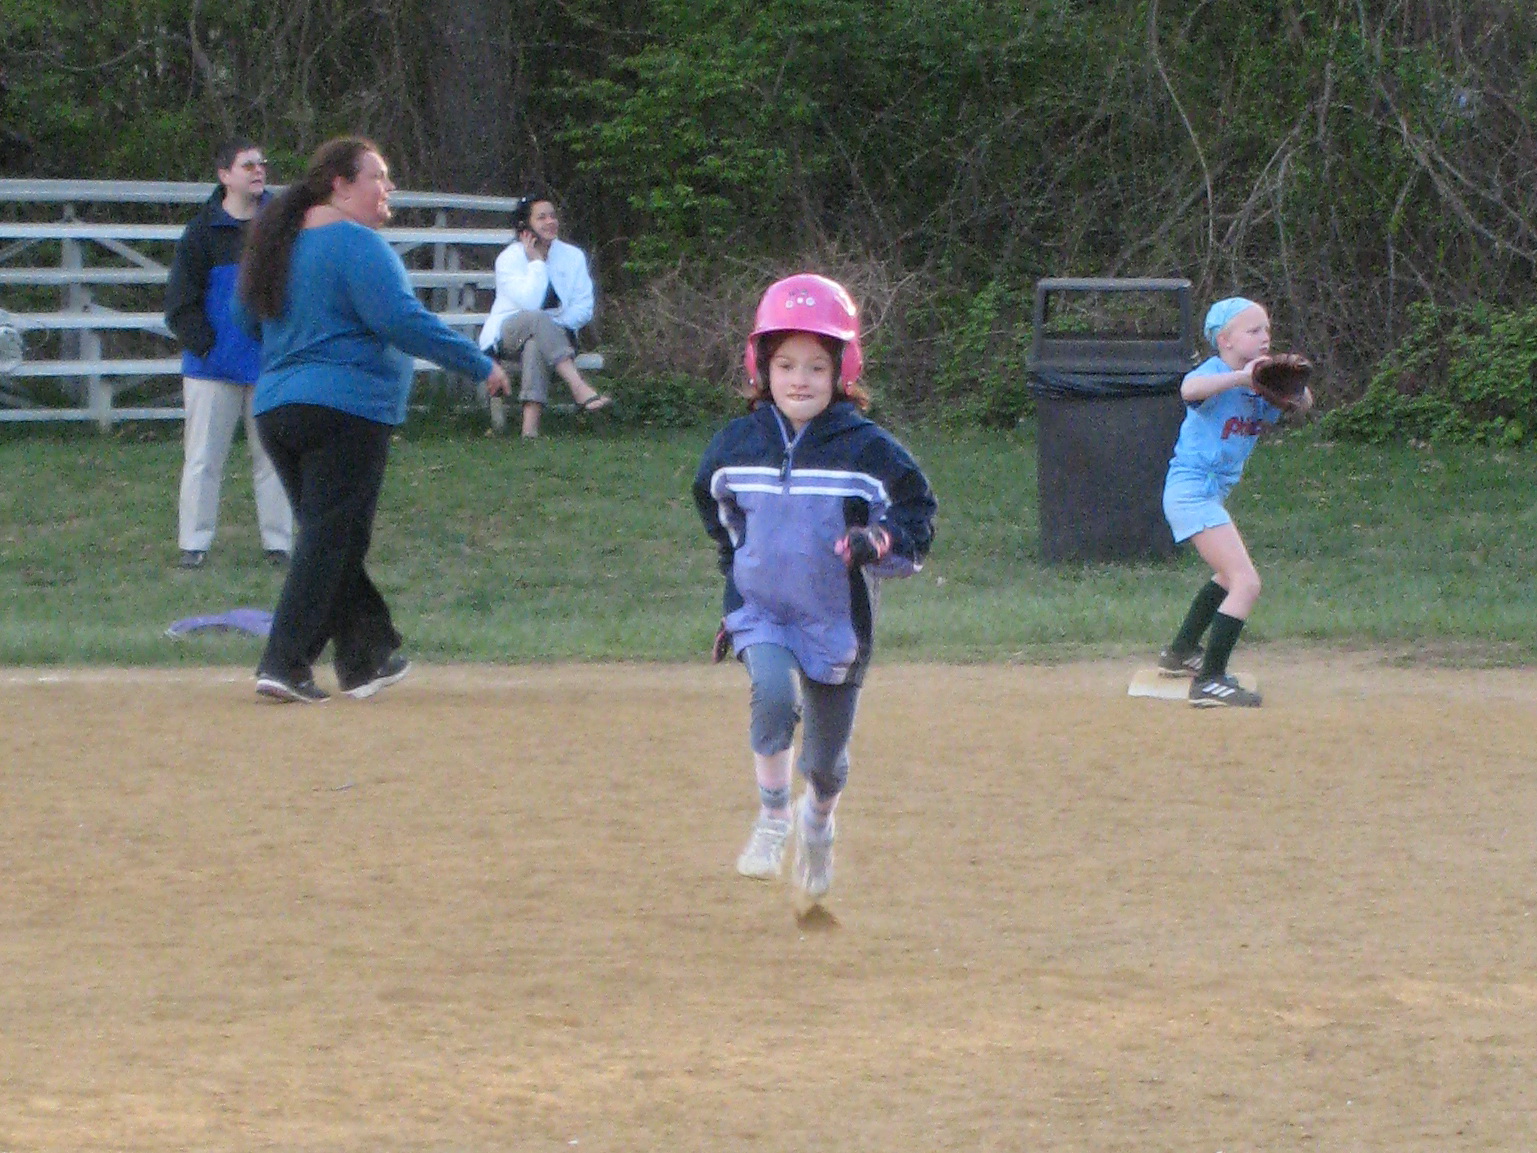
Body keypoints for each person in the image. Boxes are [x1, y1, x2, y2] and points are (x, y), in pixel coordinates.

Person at [234, 137, 511, 703]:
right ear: (340, 184)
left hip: (277, 409)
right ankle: (285, 662)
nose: (388, 188)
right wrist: (478, 363)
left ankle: (366, 657)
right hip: (344, 410)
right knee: (332, 538)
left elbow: (245, 319)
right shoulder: (358, 245)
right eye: (377, 177)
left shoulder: (278, 242)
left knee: (332, 537)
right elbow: (401, 321)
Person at [693, 273, 937, 899]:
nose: (799, 379)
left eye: (816, 367)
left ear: (842, 372)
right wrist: (738, 577)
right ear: (760, 367)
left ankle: (817, 821)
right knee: (773, 698)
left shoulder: (867, 450)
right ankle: (774, 817)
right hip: (764, 610)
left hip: (835, 619)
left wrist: (878, 540)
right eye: (785, 365)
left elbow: (914, 513)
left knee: (825, 765)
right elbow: (718, 511)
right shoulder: (735, 446)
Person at [1158, 297, 1313, 707]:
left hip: (1207, 495)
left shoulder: (1260, 384)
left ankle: (1181, 651)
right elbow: (1189, 390)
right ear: (1224, 340)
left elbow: (1302, 405)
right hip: (1191, 492)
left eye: (1267, 330)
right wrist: (1240, 377)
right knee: (1247, 583)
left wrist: (1292, 388)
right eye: (1253, 330)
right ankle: (1209, 681)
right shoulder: (1216, 373)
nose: (1265, 338)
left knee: (1228, 577)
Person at [164, 137, 294, 569]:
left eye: (262, 163)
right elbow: (180, 303)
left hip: (271, 365)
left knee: (275, 459)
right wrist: (208, 347)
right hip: (210, 370)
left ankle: (279, 544)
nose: (259, 171)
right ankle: (194, 543)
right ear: (224, 176)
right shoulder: (200, 232)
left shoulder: (282, 226)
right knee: (203, 460)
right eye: (248, 165)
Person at [476, 192, 611, 437]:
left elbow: (583, 307)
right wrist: (536, 263)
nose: (550, 222)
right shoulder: (509, 258)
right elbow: (530, 303)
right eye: (541, 218)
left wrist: (554, 325)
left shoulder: (573, 256)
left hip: (557, 335)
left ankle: (529, 431)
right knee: (537, 319)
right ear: (525, 226)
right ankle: (578, 387)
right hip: (510, 333)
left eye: (552, 216)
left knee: (536, 343)